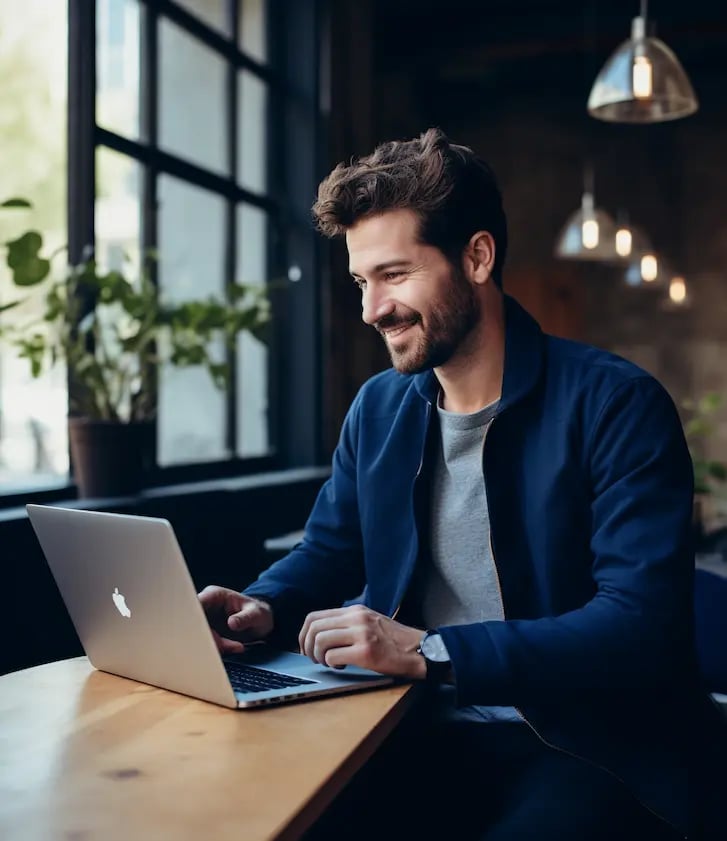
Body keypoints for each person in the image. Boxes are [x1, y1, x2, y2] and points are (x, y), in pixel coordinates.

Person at [199, 128, 726, 839]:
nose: (371, 310)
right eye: (362, 281)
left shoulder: (615, 404)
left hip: (589, 747)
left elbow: (638, 625)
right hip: (401, 722)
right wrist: (259, 605)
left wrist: (428, 650)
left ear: (476, 256)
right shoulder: (379, 407)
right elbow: (330, 549)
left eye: (395, 274)